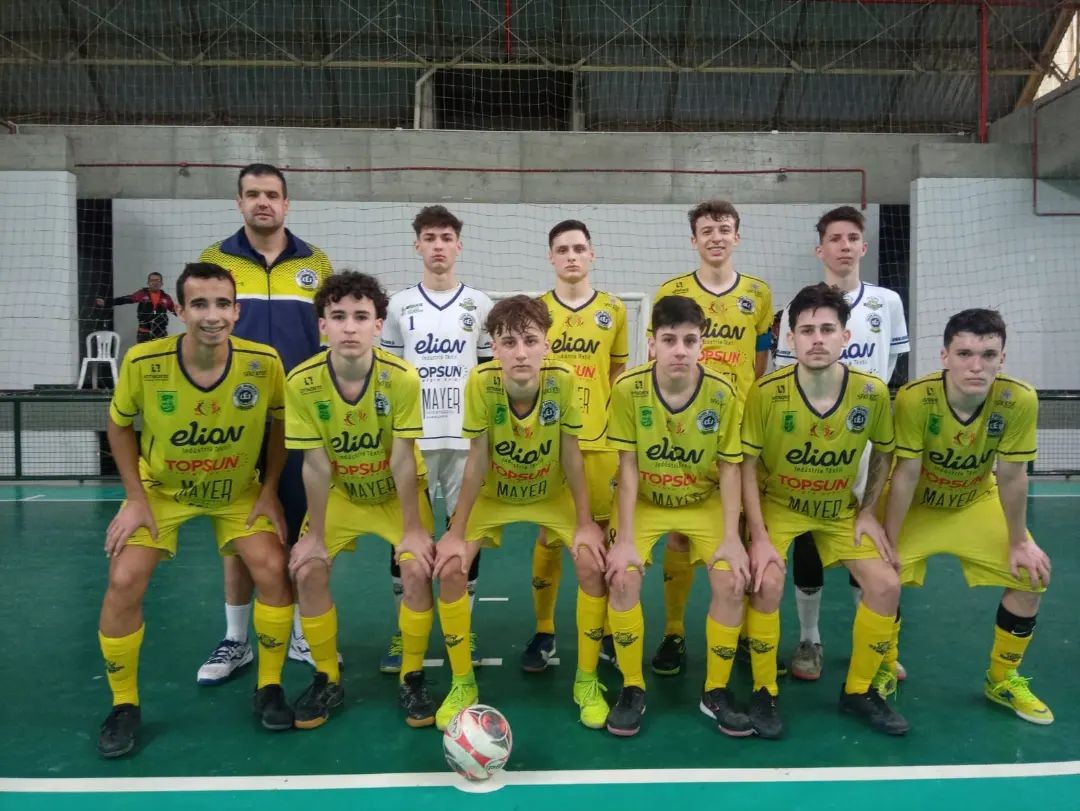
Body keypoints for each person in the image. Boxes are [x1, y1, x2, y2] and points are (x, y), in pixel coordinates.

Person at [96, 262, 294, 758]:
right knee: (123, 579)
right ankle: (124, 705)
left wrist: (269, 489)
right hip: (163, 491)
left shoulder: (263, 361)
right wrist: (136, 498)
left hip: (236, 491)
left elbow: (279, 424)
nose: (212, 315)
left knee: (272, 568)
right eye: (200, 305)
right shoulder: (144, 362)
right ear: (180, 310)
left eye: (222, 304)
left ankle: (269, 686)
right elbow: (119, 426)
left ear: (237, 310)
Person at [740, 283, 908, 738]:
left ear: (845, 335)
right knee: (767, 582)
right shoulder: (767, 393)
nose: (817, 338)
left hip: (838, 511)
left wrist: (869, 511)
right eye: (806, 329)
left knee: (886, 586)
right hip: (781, 506)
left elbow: (886, 452)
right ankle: (763, 689)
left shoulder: (871, 393)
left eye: (827, 329)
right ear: (790, 338)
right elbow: (748, 465)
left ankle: (859, 691)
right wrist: (756, 535)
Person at [432, 296, 608, 731]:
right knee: (452, 567)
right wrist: (455, 530)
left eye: (531, 340)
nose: (521, 352)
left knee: (591, 563)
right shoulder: (480, 382)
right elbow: (476, 460)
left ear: (548, 344)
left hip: (551, 494)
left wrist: (586, 522)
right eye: (509, 342)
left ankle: (586, 680)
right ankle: (461, 683)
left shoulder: (563, 381)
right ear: (493, 346)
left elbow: (571, 452)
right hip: (496, 496)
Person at [195, 163, 333, 685]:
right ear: (239, 202)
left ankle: (301, 628)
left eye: (272, 195)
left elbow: (328, 333)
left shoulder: (314, 262)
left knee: (307, 526)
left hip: (301, 417)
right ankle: (236, 640)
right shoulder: (217, 259)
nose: (263, 203)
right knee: (239, 530)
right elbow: (204, 330)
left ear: (286, 203)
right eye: (253, 194)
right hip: (240, 418)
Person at [285, 271, 440, 729]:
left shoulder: (402, 378)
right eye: (338, 317)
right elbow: (313, 465)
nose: (349, 327)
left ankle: (412, 676)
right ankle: (326, 675)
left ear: (378, 325)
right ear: (322, 327)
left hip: (396, 495)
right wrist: (314, 535)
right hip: (342, 494)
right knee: (309, 569)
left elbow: (403, 461)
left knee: (415, 566)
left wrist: (412, 530)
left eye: (360, 316)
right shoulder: (301, 382)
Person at [884, 308, 1052, 725]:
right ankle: (884, 664)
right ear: (944, 356)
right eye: (964, 353)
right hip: (919, 503)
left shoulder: (1018, 399)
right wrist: (887, 539)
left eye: (988, 354)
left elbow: (1012, 476)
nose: (976, 365)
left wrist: (1019, 541)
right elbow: (904, 474)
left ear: (1002, 359)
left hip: (974, 500)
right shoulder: (914, 398)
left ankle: (1002, 678)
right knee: (879, 576)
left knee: (1033, 575)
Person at [774, 206, 910, 682]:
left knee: (863, 535)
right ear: (821, 249)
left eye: (853, 237)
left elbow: (895, 369)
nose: (845, 245)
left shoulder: (887, 303)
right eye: (835, 238)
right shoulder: (799, 307)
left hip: (864, 435)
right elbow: (785, 373)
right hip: (808, 440)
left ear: (864, 246)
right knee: (809, 537)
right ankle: (809, 639)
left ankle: (872, 643)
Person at [604, 295, 749, 738]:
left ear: (702, 345)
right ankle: (631, 686)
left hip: (701, 500)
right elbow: (627, 469)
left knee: (730, 578)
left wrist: (731, 536)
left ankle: (715, 692)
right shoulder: (628, 388)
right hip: (647, 498)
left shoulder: (722, 394)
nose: (680, 350)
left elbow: (730, 468)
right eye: (669, 340)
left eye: (690, 340)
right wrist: (625, 538)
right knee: (623, 574)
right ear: (652, 345)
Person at [648, 200, 773, 677]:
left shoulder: (758, 294)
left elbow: (761, 360)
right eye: (707, 230)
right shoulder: (672, 291)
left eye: (724, 229)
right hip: (685, 425)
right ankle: (675, 632)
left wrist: (739, 399)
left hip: (739, 426)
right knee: (681, 529)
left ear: (737, 236)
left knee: (738, 529)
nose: (716, 237)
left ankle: (740, 632)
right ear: (693, 239)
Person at [379, 205, 492, 674]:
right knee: (407, 535)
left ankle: (458, 625)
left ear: (459, 245)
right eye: (430, 237)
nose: (439, 245)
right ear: (417, 245)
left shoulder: (481, 306)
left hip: (466, 439)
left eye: (447, 237)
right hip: (414, 439)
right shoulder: (398, 306)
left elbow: (489, 375)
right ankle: (405, 629)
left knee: (464, 532)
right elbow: (385, 376)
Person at [524, 219, 627, 672]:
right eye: (562, 249)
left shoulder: (614, 310)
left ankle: (601, 629)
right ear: (550, 257)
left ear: (592, 255)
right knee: (550, 535)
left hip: (600, 444)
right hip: (549, 445)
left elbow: (617, 374)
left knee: (601, 537)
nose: (571, 255)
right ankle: (544, 630)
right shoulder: (534, 311)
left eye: (579, 248)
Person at [96, 272, 176, 343]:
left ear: (161, 283)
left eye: (157, 280)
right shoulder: (142, 294)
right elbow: (125, 299)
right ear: (148, 283)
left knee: (159, 357)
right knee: (143, 356)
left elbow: (175, 310)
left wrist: (186, 317)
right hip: (144, 334)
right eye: (152, 280)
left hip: (160, 334)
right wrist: (106, 302)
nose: (155, 282)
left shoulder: (166, 298)